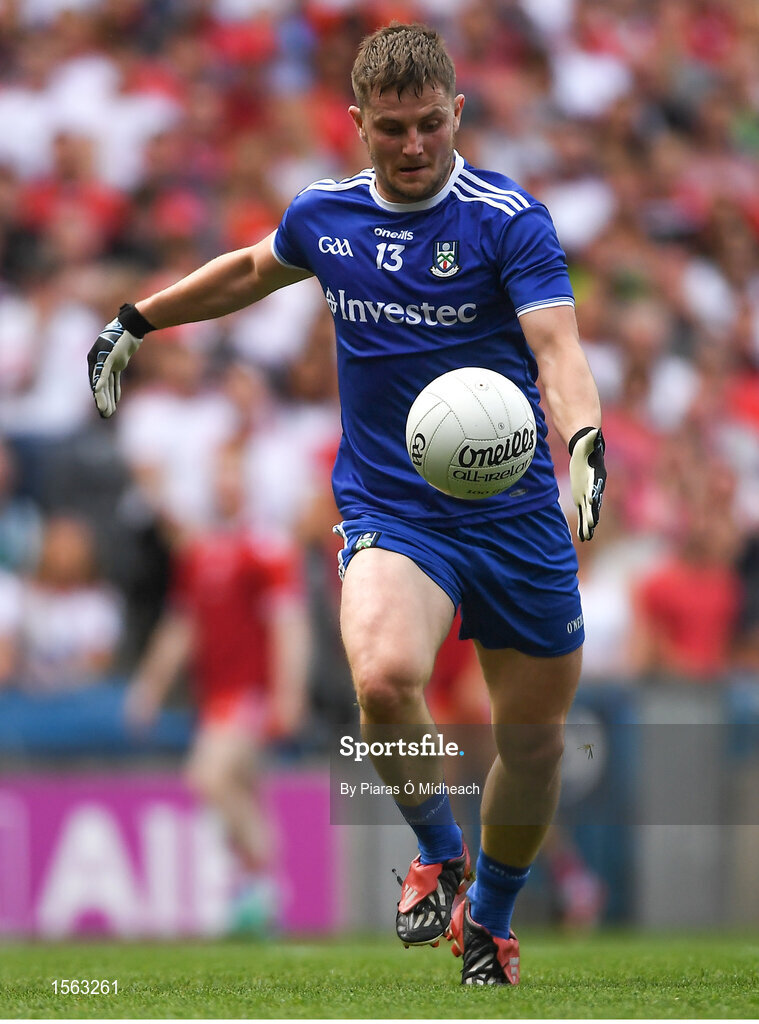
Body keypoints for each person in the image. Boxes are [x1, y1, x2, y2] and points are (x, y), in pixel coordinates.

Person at [88, 22, 606, 986]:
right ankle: (439, 856)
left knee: (531, 744)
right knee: (380, 679)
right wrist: (137, 317)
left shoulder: (508, 220)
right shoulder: (326, 218)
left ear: (457, 114)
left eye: (428, 127)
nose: (412, 148)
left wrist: (582, 437)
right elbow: (249, 269)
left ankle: (488, 921)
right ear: (358, 123)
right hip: (393, 511)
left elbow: (556, 350)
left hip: (516, 514)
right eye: (391, 129)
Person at [125, 445, 308, 932]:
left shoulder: (266, 548)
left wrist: (289, 693)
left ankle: (263, 885)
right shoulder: (200, 552)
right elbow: (181, 627)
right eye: (219, 476)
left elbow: (289, 626)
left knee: (207, 776)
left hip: (250, 693)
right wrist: (150, 686)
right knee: (241, 788)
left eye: (234, 476)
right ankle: (257, 895)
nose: (225, 485)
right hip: (214, 693)